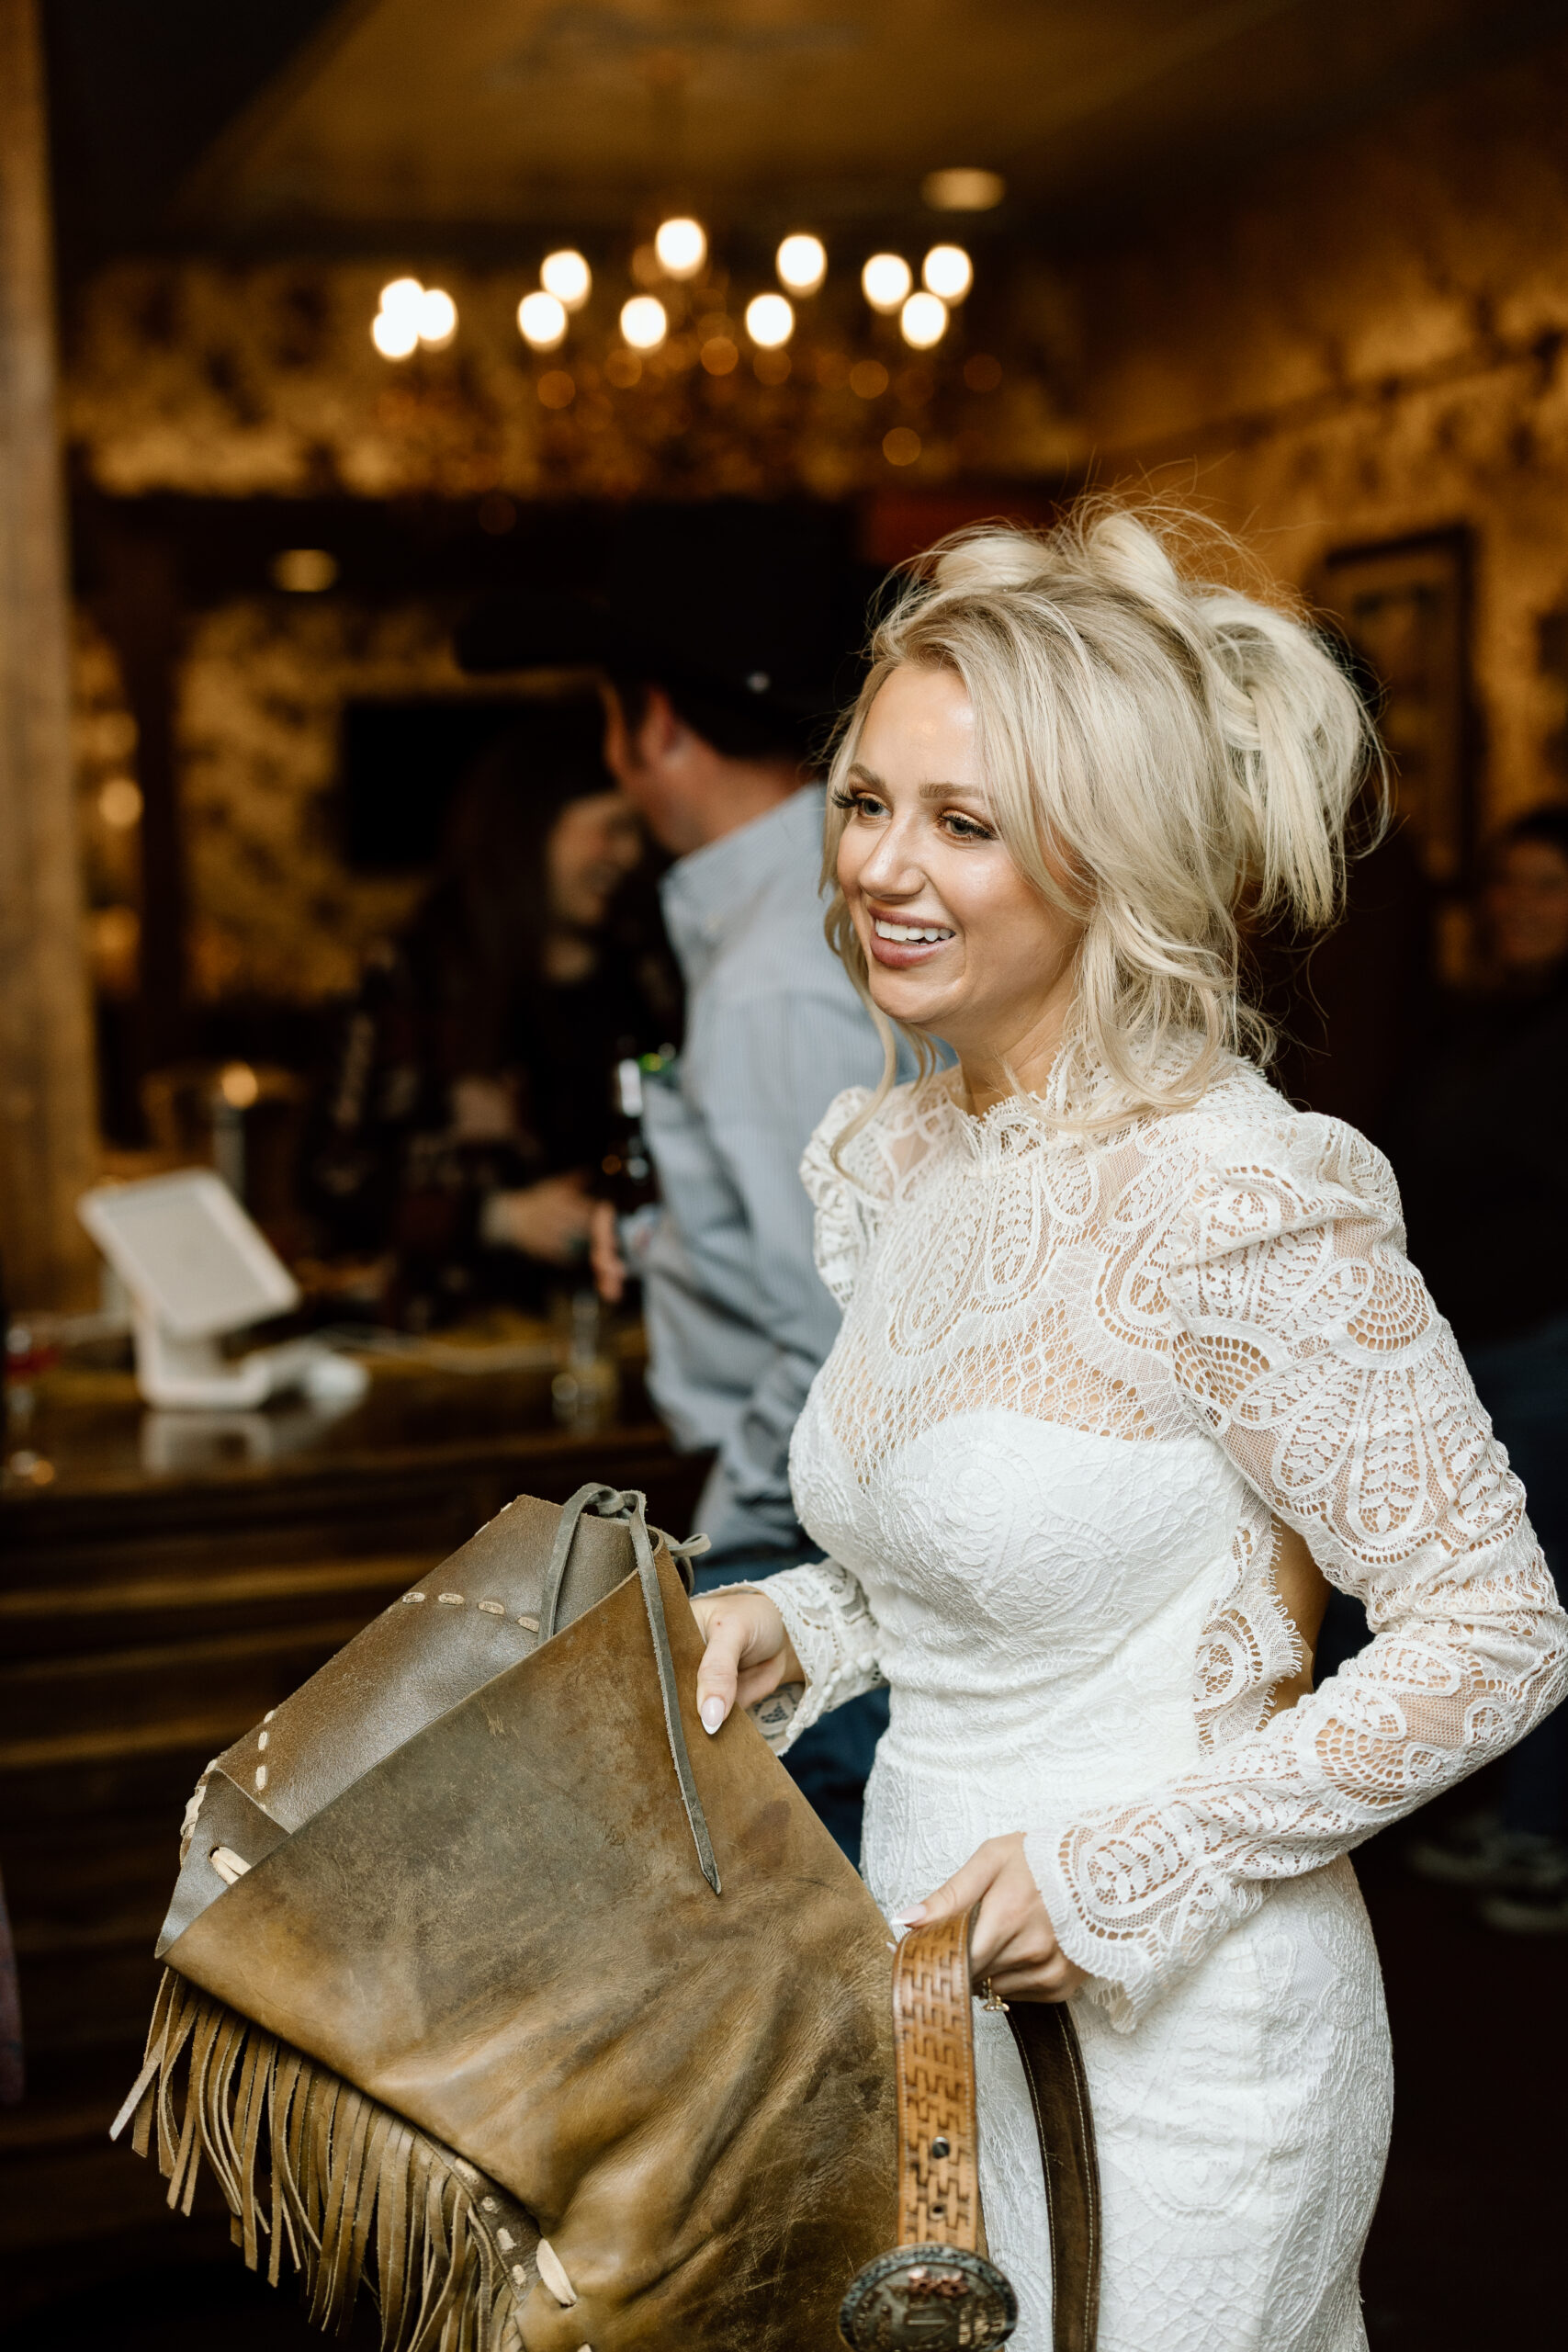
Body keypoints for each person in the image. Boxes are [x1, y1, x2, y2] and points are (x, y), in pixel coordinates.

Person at [688, 504, 1568, 2352]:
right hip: (935, 2003)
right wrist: (798, 1619)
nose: (882, 871)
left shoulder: (1236, 1198)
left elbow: (1495, 1632)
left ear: (1112, 857)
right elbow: (979, 1560)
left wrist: (1119, 1873)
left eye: (964, 821)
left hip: (1190, 2045)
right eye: (863, 803)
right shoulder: (902, 1151)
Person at [456, 505, 900, 1859]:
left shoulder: (774, 971)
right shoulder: (777, 922)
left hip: (805, 1538)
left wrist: (722, 1541)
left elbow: (835, 1322)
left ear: (648, 726)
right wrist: (669, 1241)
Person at [303, 703, 676, 1329]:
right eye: (609, 829)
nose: (627, 854)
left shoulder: (644, 968)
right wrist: (497, 1216)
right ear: (531, 830)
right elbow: (328, 1180)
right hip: (457, 1333)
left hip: (627, 1326)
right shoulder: (417, 977)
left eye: (637, 833)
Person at [1393, 804, 1568, 1930]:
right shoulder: (1482, 1019)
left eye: (1546, 887)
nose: (1515, 907)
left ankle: (1544, 1837)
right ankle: (1520, 1809)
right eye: (1505, 884)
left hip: (1545, 1341)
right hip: (1481, 1343)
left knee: (1543, 1592)